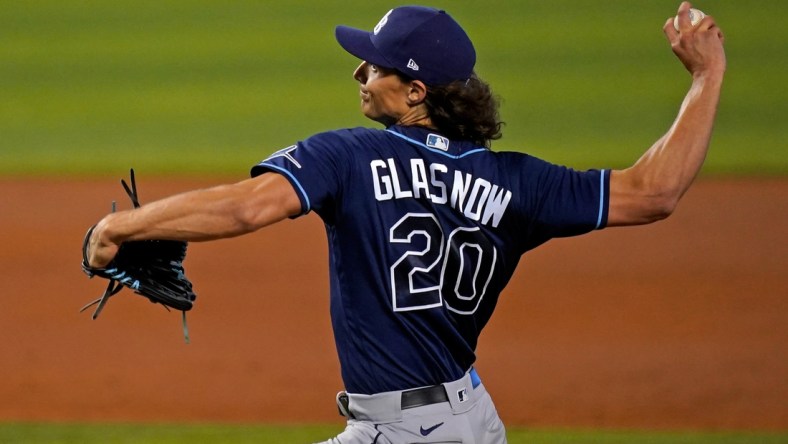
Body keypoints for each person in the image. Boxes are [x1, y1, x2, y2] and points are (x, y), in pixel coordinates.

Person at [84, 2, 725, 442]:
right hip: (474, 419)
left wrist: (120, 229)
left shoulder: (349, 155)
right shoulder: (520, 181)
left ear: (417, 92)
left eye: (376, 64)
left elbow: (245, 206)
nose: (360, 72)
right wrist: (708, 74)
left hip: (400, 431)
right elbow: (654, 192)